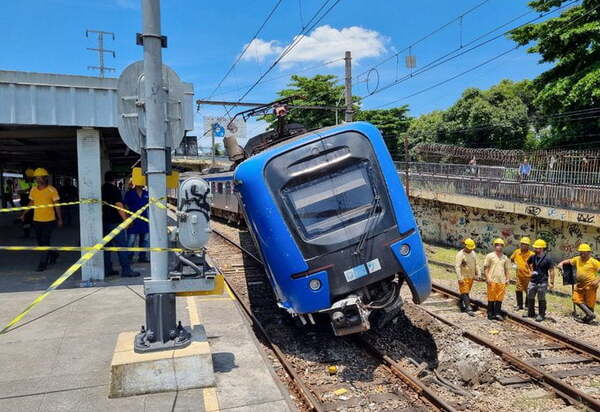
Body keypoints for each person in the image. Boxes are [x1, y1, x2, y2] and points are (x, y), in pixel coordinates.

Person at [21, 168, 62, 272]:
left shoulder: (52, 190)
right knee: (40, 243)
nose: (38, 180)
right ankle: (54, 254)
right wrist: (24, 214)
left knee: (45, 241)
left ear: (45, 178)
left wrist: (60, 219)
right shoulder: (34, 190)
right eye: (36, 178)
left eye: (40, 178)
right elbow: (31, 202)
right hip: (37, 220)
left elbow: (57, 205)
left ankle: (42, 264)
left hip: (49, 220)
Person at [102, 171, 140, 278]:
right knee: (122, 247)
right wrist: (126, 220)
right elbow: (118, 205)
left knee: (106, 248)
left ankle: (107, 269)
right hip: (115, 222)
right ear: (114, 180)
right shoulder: (115, 190)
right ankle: (126, 270)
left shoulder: (101, 189)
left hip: (104, 222)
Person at [559, 244, 600, 324]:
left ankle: (588, 318)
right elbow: (569, 261)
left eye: (584, 252)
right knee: (576, 298)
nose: (582, 254)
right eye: (581, 252)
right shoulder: (577, 259)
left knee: (590, 303)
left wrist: (597, 280)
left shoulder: (593, 262)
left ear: (589, 253)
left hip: (590, 285)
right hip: (580, 284)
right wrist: (561, 263)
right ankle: (590, 314)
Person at [525, 239, 556, 322]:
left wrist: (551, 282)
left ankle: (541, 314)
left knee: (541, 298)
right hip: (533, 281)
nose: (534, 249)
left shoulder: (548, 259)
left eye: (536, 248)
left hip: (542, 282)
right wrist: (530, 272)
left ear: (542, 249)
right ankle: (530, 312)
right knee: (530, 296)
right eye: (535, 248)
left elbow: (552, 270)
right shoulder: (533, 257)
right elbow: (527, 263)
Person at [484, 238, 511, 321]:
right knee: (491, 297)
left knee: (499, 298)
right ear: (495, 246)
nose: (499, 247)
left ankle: (497, 313)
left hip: (501, 281)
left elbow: (507, 269)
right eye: (497, 245)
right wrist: (487, 277)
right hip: (492, 280)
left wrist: (508, 279)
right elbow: (486, 267)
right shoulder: (490, 256)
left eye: (501, 245)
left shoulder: (505, 258)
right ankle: (490, 313)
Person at [123, 182, 150, 263]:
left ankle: (142, 257)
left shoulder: (146, 193)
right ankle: (129, 258)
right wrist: (127, 217)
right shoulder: (130, 193)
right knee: (131, 240)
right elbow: (125, 205)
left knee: (145, 240)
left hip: (144, 221)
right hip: (133, 220)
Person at [455, 238, 480, 316]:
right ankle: (468, 308)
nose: (470, 250)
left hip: (471, 276)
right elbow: (457, 266)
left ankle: (460, 302)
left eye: (471, 248)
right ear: (465, 246)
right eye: (469, 248)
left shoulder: (473, 253)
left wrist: (478, 273)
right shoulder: (460, 254)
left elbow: (476, 264)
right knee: (465, 292)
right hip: (463, 276)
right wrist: (459, 278)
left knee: (466, 291)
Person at [510, 237, 534, 310]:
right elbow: (511, 259)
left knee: (528, 291)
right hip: (519, 275)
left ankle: (527, 306)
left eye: (525, 244)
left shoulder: (532, 254)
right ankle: (519, 305)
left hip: (528, 276)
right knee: (518, 290)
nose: (523, 245)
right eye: (522, 244)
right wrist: (514, 264)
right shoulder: (517, 252)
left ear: (528, 246)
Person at [17, 168, 35, 238]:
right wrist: (27, 190)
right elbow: (18, 192)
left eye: (31, 177)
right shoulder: (22, 182)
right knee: (25, 218)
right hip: (24, 203)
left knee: (33, 218)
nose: (30, 178)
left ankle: (32, 228)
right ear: (26, 176)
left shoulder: (35, 182)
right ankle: (26, 233)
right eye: (29, 177)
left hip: (34, 203)